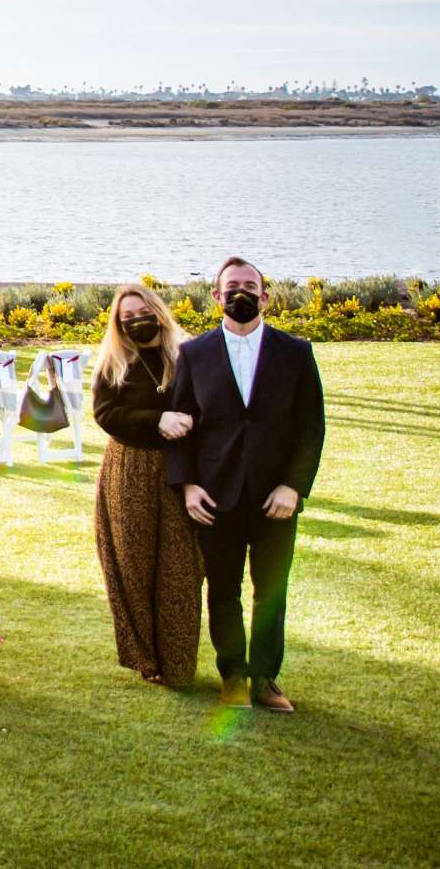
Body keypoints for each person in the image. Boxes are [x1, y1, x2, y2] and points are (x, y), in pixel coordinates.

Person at [167, 255, 326, 713]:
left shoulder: (296, 353)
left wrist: (294, 487)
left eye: (249, 285)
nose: (241, 292)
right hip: (216, 497)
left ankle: (265, 678)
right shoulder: (193, 354)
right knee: (223, 590)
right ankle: (233, 674)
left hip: (275, 497)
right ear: (215, 296)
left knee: (271, 590)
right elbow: (181, 424)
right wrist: (188, 486)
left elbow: (310, 427)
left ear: (265, 296)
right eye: (231, 285)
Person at [91, 281, 201, 687]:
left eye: (143, 312)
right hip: (129, 468)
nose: (138, 322)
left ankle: (178, 663)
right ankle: (145, 658)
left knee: (180, 569)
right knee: (132, 565)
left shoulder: (187, 355)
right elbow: (105, 413)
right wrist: (156, 421)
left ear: (158, 310)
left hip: (178, 470)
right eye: (127, 318)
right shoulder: (113, 362)